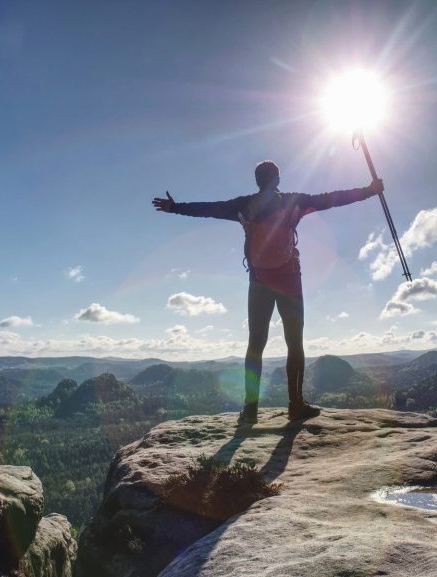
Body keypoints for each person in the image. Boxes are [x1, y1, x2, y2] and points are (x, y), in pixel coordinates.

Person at [153, 160, 383, 424]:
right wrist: (369, 190)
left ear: (257, 181)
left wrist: (175, 208)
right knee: (294, 343)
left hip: (259, 282)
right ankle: (296, 405)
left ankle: (250, 411)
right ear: (277, 180)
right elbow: (333, 199)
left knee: (255, 345)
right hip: (289, 282)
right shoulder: (293, 201)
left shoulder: (244, 205)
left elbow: (209, 209)